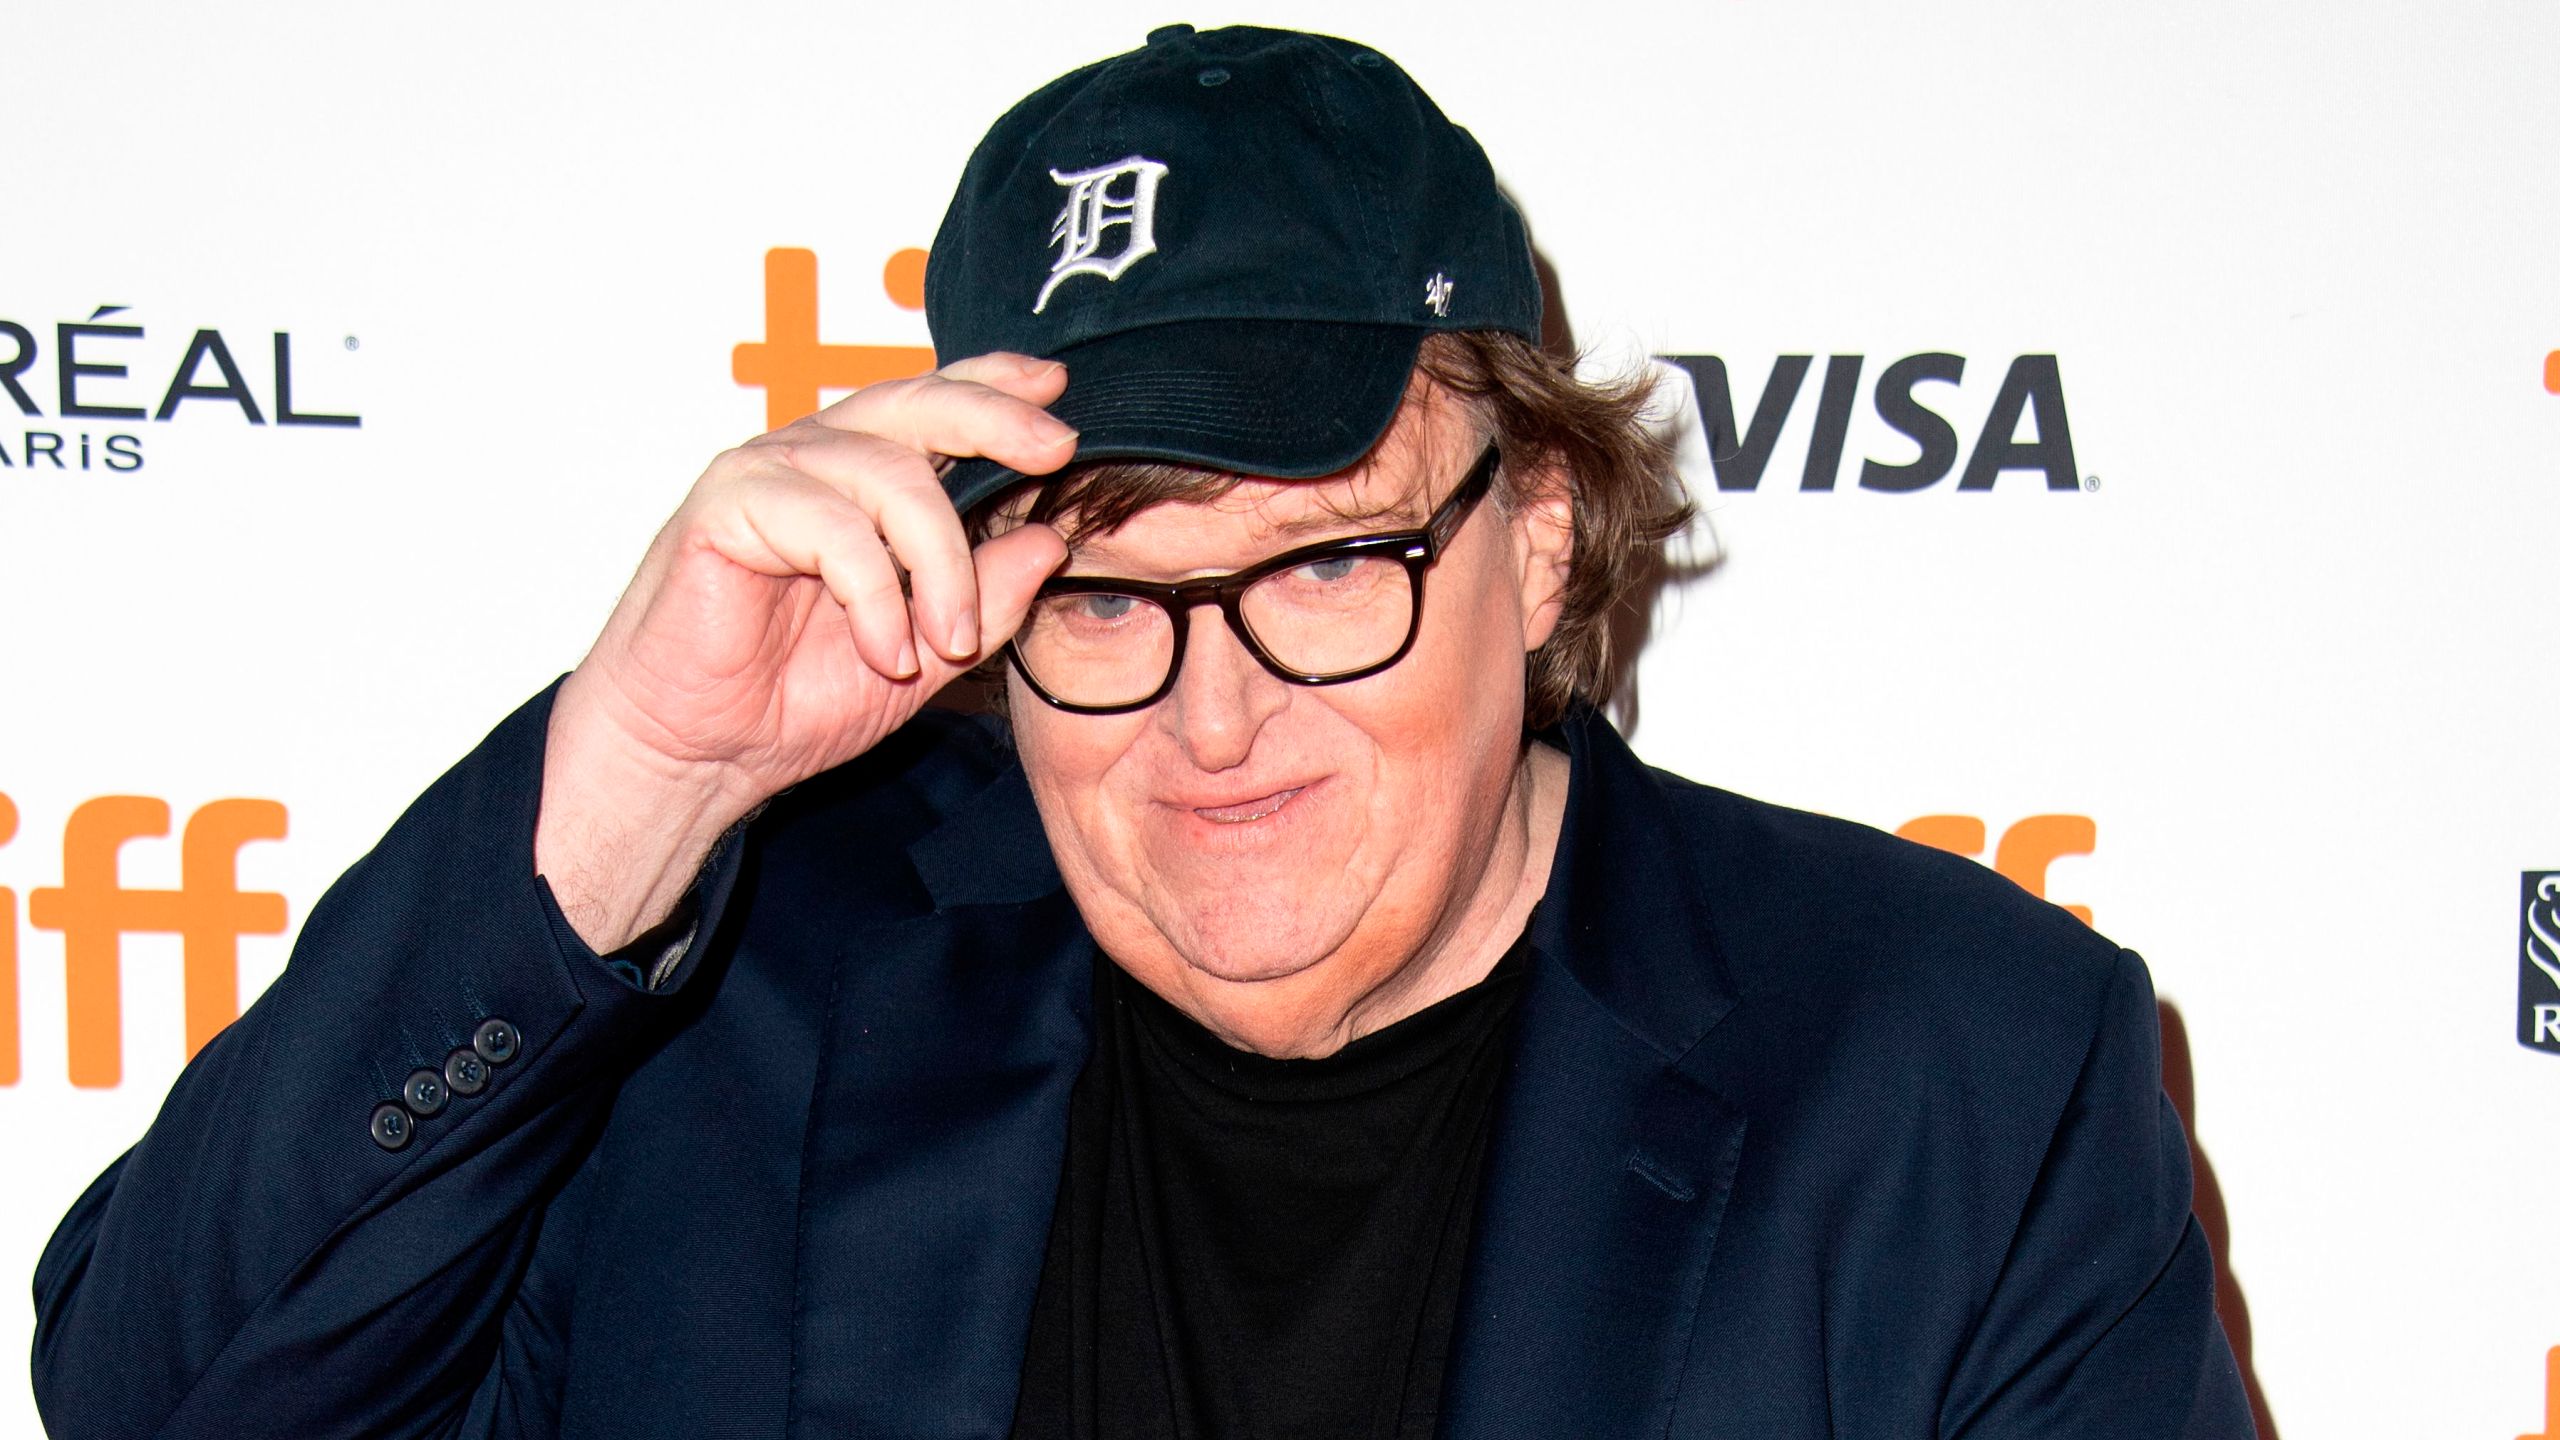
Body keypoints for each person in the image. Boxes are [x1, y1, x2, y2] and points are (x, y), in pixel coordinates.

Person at [32, 23, 2254, 1440]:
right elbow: (164, 1405)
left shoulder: (1953, 1070)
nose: (1213, 720)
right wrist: (644, 785)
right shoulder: (732, 1000)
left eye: (1317, 568)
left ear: (1541, 540)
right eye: (1098, 588)